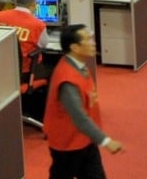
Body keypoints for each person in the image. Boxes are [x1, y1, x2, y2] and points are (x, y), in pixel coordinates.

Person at [44, 24, 123, 178]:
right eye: (88, 40)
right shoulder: (67, 79)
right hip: (67, 143)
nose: (93, 43)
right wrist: (105, 141)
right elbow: (79, 117)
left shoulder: (78, 66)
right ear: (75, 48)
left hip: (84, 139)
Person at [0, 0, 49, 72]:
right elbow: (44, 45)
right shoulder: (38, 25)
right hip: (25, 72)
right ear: (34, 4)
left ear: (15, 2)